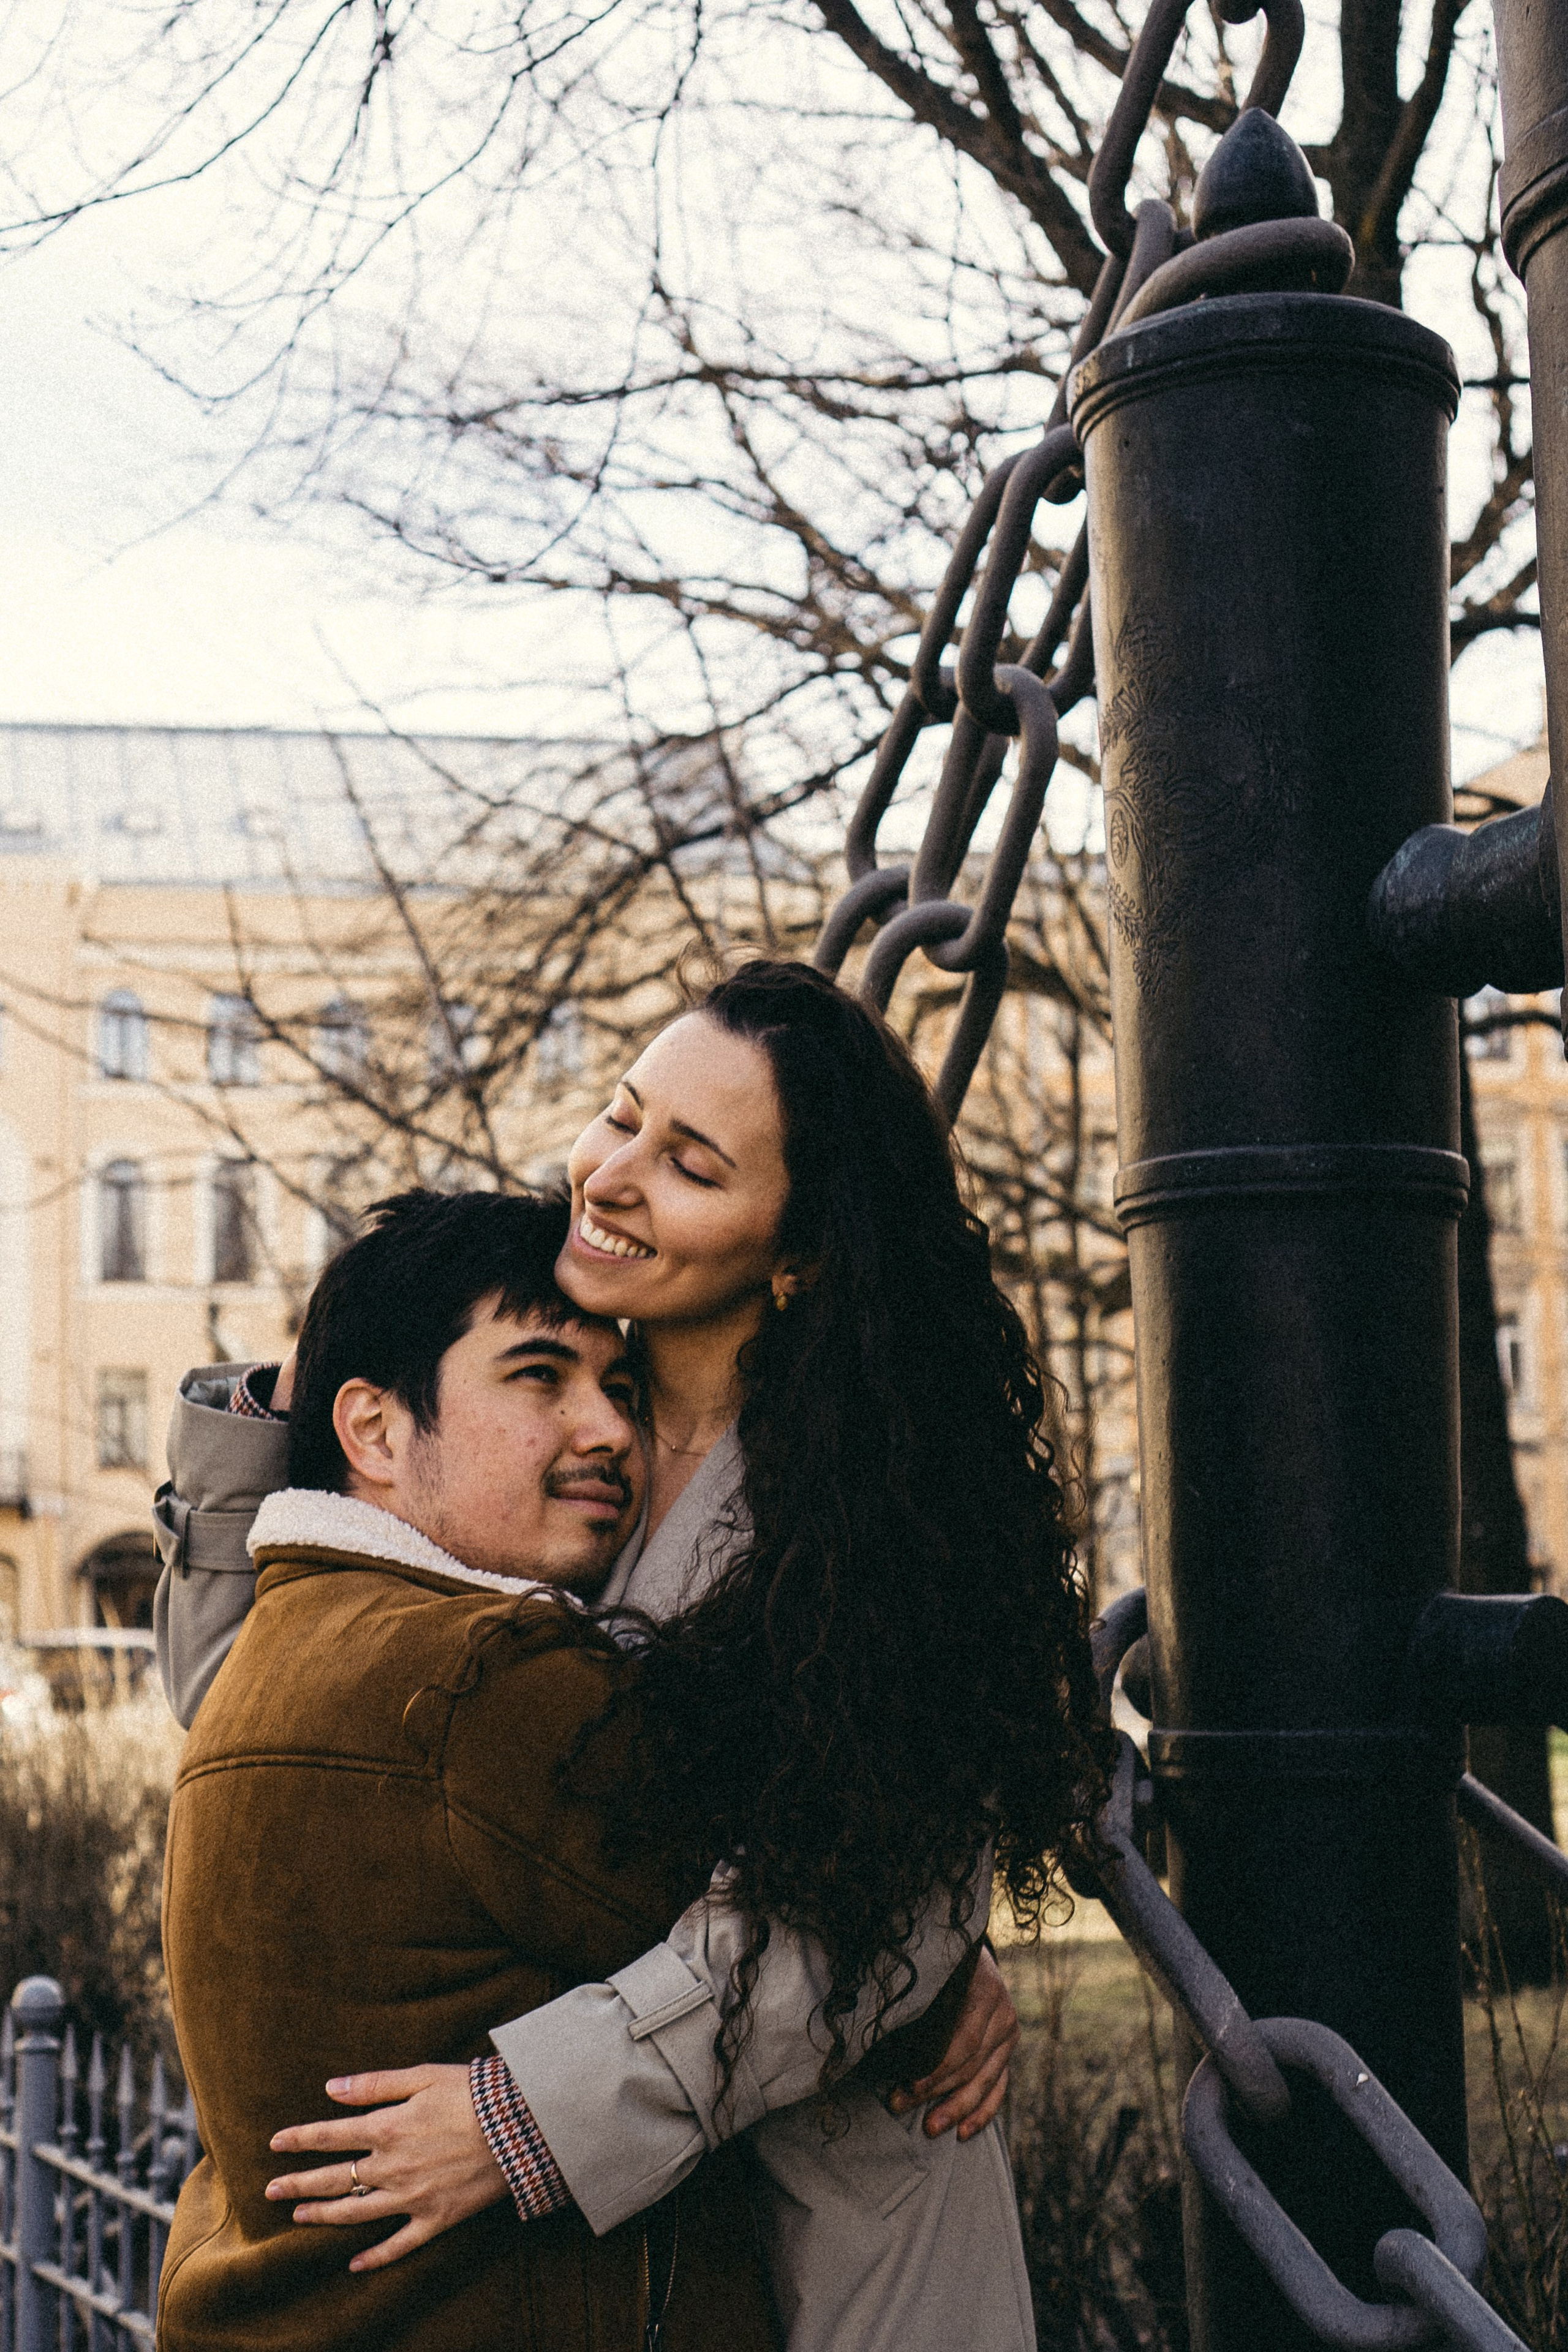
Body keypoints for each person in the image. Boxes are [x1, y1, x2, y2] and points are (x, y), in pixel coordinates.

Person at [154, 960, 1109, 2352]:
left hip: (828, 2224)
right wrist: (301, 1399)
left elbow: (854, 1905)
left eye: (690, 1165)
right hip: (607, 2269)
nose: (610, 1176)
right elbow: (271, 1708)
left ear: (797, 1252)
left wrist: (530, 2115)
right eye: (620, 1115)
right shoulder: (546, 1430)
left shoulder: (883, 1514)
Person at [159, 1188, 782, 2352]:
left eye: (622, 1388)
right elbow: (838, 1930)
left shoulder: (275, 1651)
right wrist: (943, 1964)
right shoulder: (489, 1674)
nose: (609, 1431)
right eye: (540, 1377)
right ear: (375, 1432)